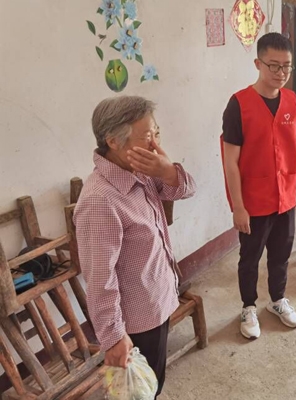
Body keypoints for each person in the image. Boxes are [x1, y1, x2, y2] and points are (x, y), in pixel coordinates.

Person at [74, 96, 197, 397]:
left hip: (158, 302)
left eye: (157, 134)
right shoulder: (99, 200)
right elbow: (99, 279)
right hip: (136, 322)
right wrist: (114, 337)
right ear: (113, 141)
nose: (155, 145)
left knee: (153, 383)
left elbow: (186, 189)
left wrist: (168, 171)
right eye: (147, 136)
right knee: (141, 390)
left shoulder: (141, 170)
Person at [221, 32, 296, 340]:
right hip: (253, 200)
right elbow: (230, 161)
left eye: (286, 66)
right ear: (258, 64)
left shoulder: (292, 100)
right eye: (273, 65)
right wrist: (238, 207)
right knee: (250, 257)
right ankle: (248, 306)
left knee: (281, 253)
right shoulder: (239, 105)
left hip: (285, 195)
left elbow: (295, 144)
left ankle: (277, 300)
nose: (280, 73)